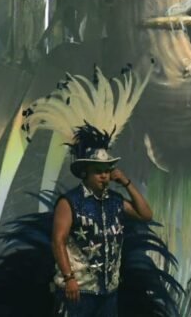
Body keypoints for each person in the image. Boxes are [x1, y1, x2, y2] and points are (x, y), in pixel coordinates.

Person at [52, 125, 154, 317]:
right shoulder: (70, 201)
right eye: (98, 171)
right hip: (79, 290)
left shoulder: (115, 201)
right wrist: (69, 278)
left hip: (108, 292)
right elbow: (59, 240)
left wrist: (125, 182)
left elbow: (146, 214)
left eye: (107, 170)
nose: (104, 176)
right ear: (85, 172)